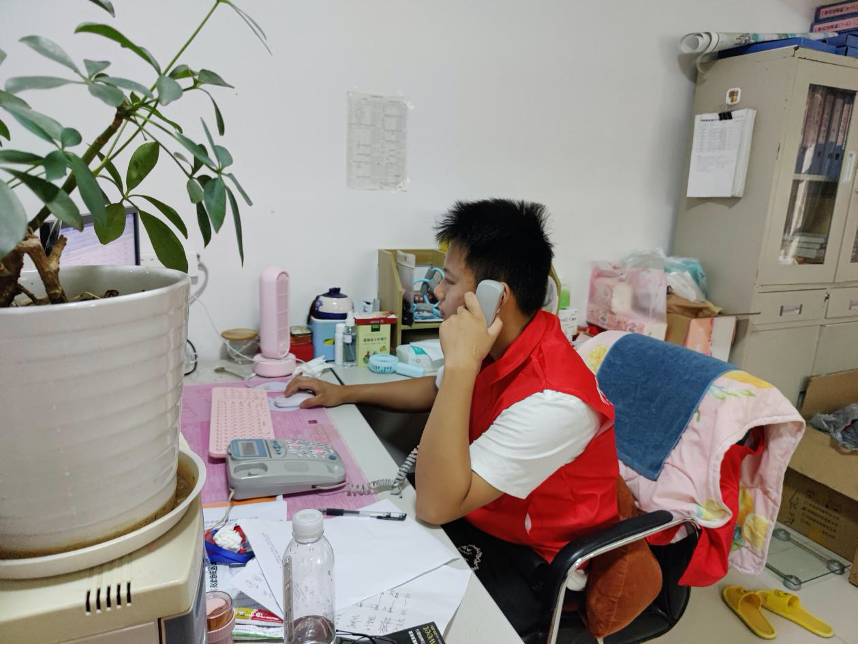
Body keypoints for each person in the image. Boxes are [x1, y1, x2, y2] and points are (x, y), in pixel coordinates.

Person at [285, 199, 619, 633]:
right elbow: (435, 389)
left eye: (449, 280)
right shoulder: (507, 343)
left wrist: (462, 364)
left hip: (532, 559)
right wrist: (344, 393)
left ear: (495, 297)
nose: (437, 293)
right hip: (477, 513)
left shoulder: (555, 401)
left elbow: (435, 505)